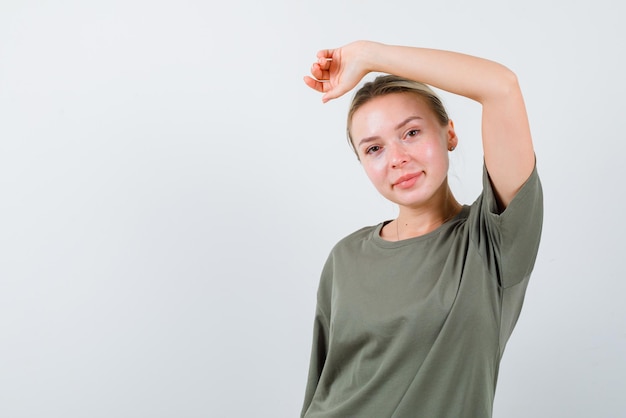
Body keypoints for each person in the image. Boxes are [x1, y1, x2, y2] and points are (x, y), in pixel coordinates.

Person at [300, 41, 543, 418]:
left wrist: (368, 55)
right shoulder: (345, 257)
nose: (397, 158)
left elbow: (501, 87)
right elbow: (322, 384)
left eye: (411, 133)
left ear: (449, 134)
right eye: (374, 149)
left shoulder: (492, 241)